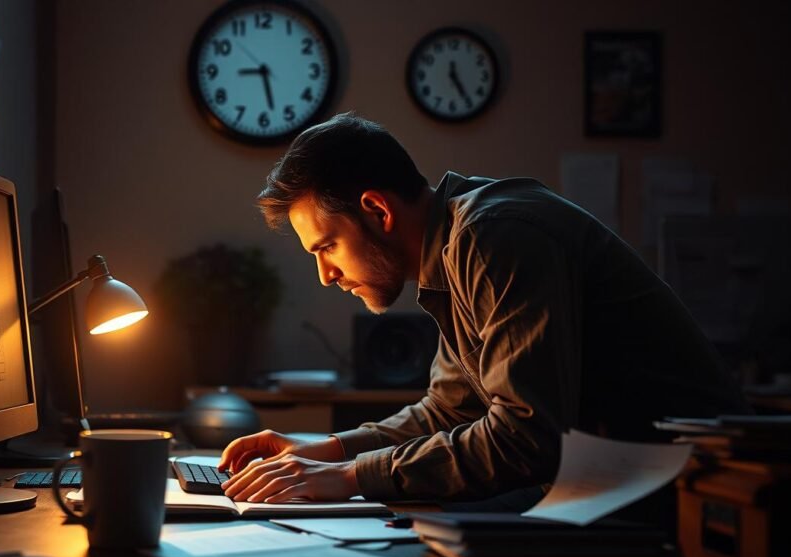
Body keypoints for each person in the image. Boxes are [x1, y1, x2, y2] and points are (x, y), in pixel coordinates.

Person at [218, 112, 750, 509]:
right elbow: (450, 411)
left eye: (326, 247)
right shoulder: (453, 247)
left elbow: (525, 437)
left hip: (699, 492)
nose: (325, 275)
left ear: (376, 210)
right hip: (615, 483)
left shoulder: (492, 235)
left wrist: (353, 476)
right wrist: (327, 451)